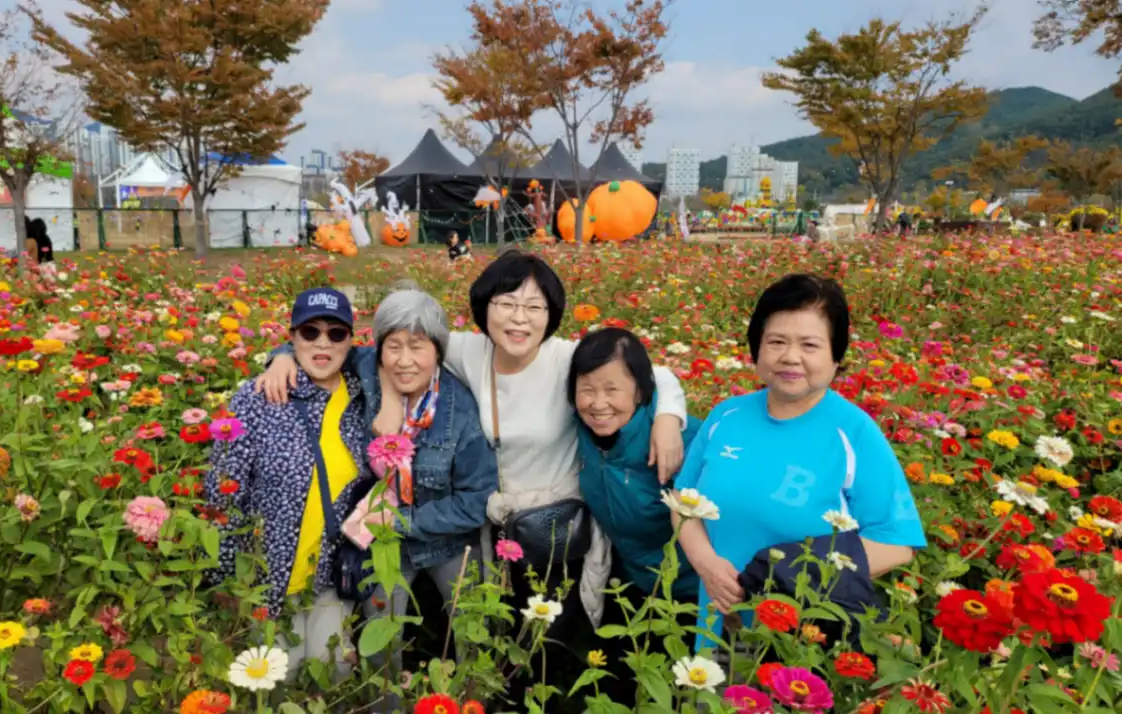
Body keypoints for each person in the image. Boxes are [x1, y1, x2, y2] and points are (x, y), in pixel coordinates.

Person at [257, 252, 690, 705]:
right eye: (507, 302)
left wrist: (667, 418)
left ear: (550, 315)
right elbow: (350, 348)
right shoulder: (468, 350)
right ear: (486, 308)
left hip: (551, 528)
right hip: (489, 526)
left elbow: (648, 372)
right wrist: (284, 355)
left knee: (537, 642)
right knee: (443, 636)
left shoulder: (564, 359)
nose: (519, 318)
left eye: (534, 306)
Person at [675, 273, 926, 651]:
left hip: (801, 639)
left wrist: (783, 579)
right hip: (715, 626)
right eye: (776, 341)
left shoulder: (854, 433)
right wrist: (707, 563)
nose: (790, 357)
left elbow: (895, 542)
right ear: (756, 348)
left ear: (835, 356)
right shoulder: (726, 416)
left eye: (810, 345)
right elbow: (682, 503)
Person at [205, 287, 377, 675]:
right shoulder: (260, 396)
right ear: (292, 336)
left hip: (332, 575)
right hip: (267, 575)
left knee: (330, 671)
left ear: (350, 341)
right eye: (309, 332)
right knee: (271, 676)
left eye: (335, 334)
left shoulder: (363, 399)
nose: (322, 343)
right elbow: (224, 493)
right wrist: (225, 579)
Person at [337, 290, 498, 683]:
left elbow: (477, 501)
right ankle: (385, 703)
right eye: (393, 346)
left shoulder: (460, 411)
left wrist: (403, 522)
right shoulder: (371, 373)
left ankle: (469, 702)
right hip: (386, 545)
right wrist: (279, 362)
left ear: (438, 351)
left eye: (417, 346)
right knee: (380, 637)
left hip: (447, 540)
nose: (404, 360)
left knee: (473, 631)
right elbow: (316, 349)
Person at [568, 328, 701, 705]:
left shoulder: (681, 442)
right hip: (631, 583)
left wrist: (669, 419)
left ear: (641, 393)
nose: (597, 403)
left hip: (690, 593)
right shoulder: (579, 428)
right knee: (618, 687)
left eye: (613, 390)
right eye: (587, 389)